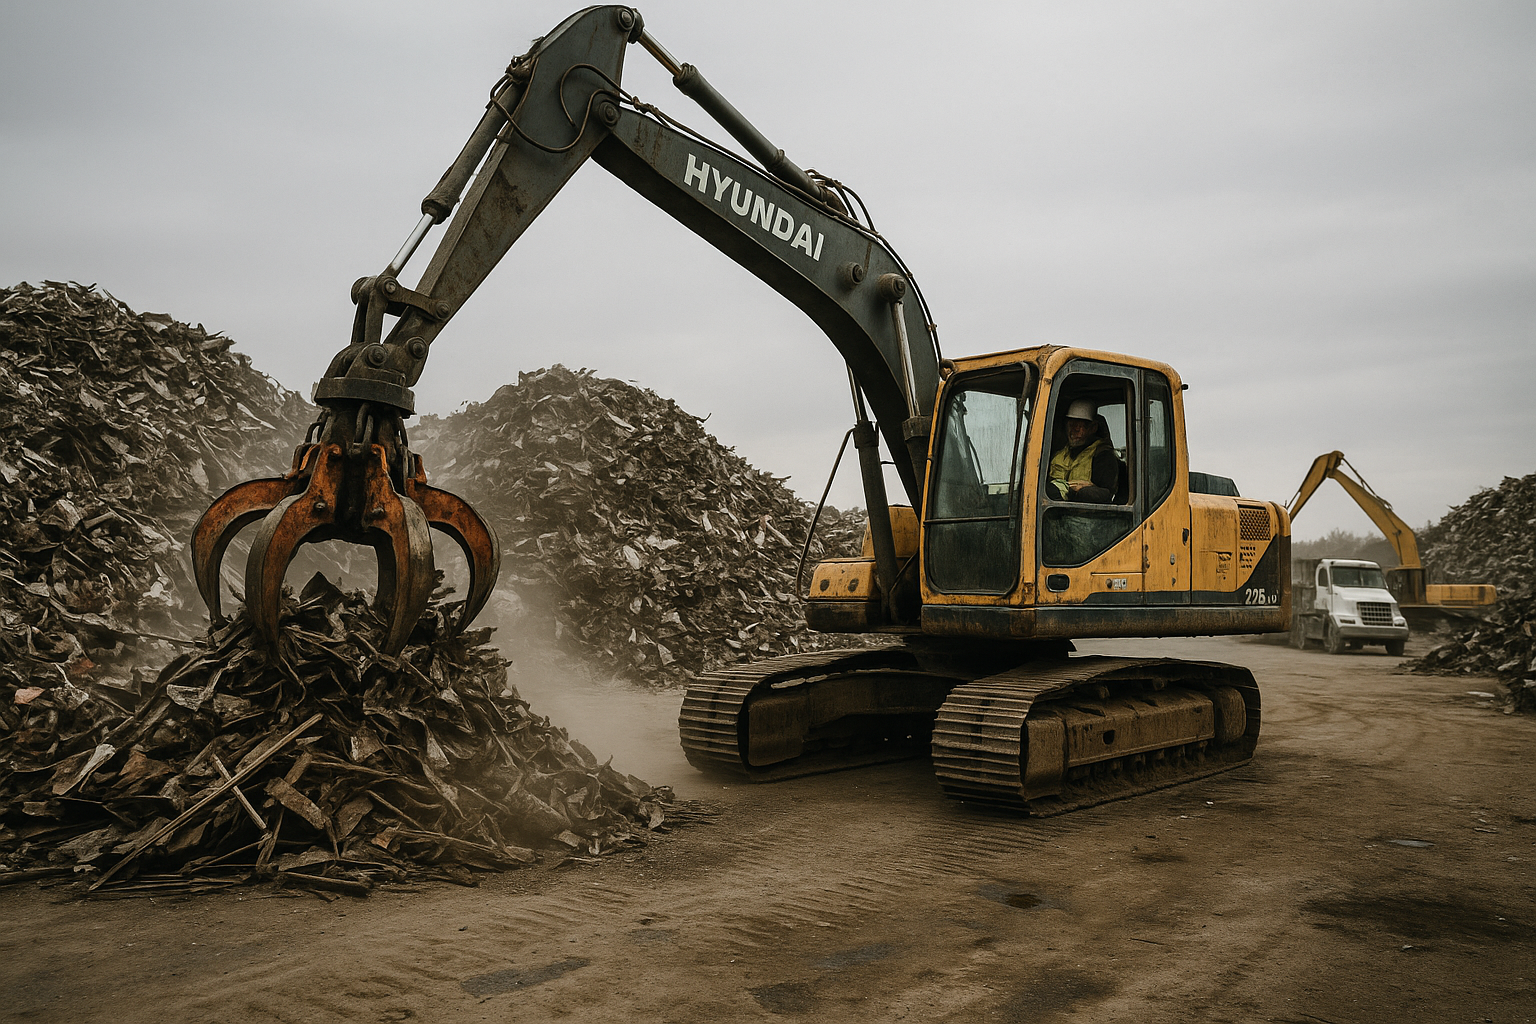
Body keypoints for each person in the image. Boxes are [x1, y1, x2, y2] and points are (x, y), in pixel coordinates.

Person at [1047, 399, 1118, 502]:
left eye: (1079, 426)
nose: (1074, 431)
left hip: (1086, 514)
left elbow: (1105, 496)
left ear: (1093, 428)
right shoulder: (1059, 455)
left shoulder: (1103, 457)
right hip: (1056, 510)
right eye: (1071, 425)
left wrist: (1078, 491)